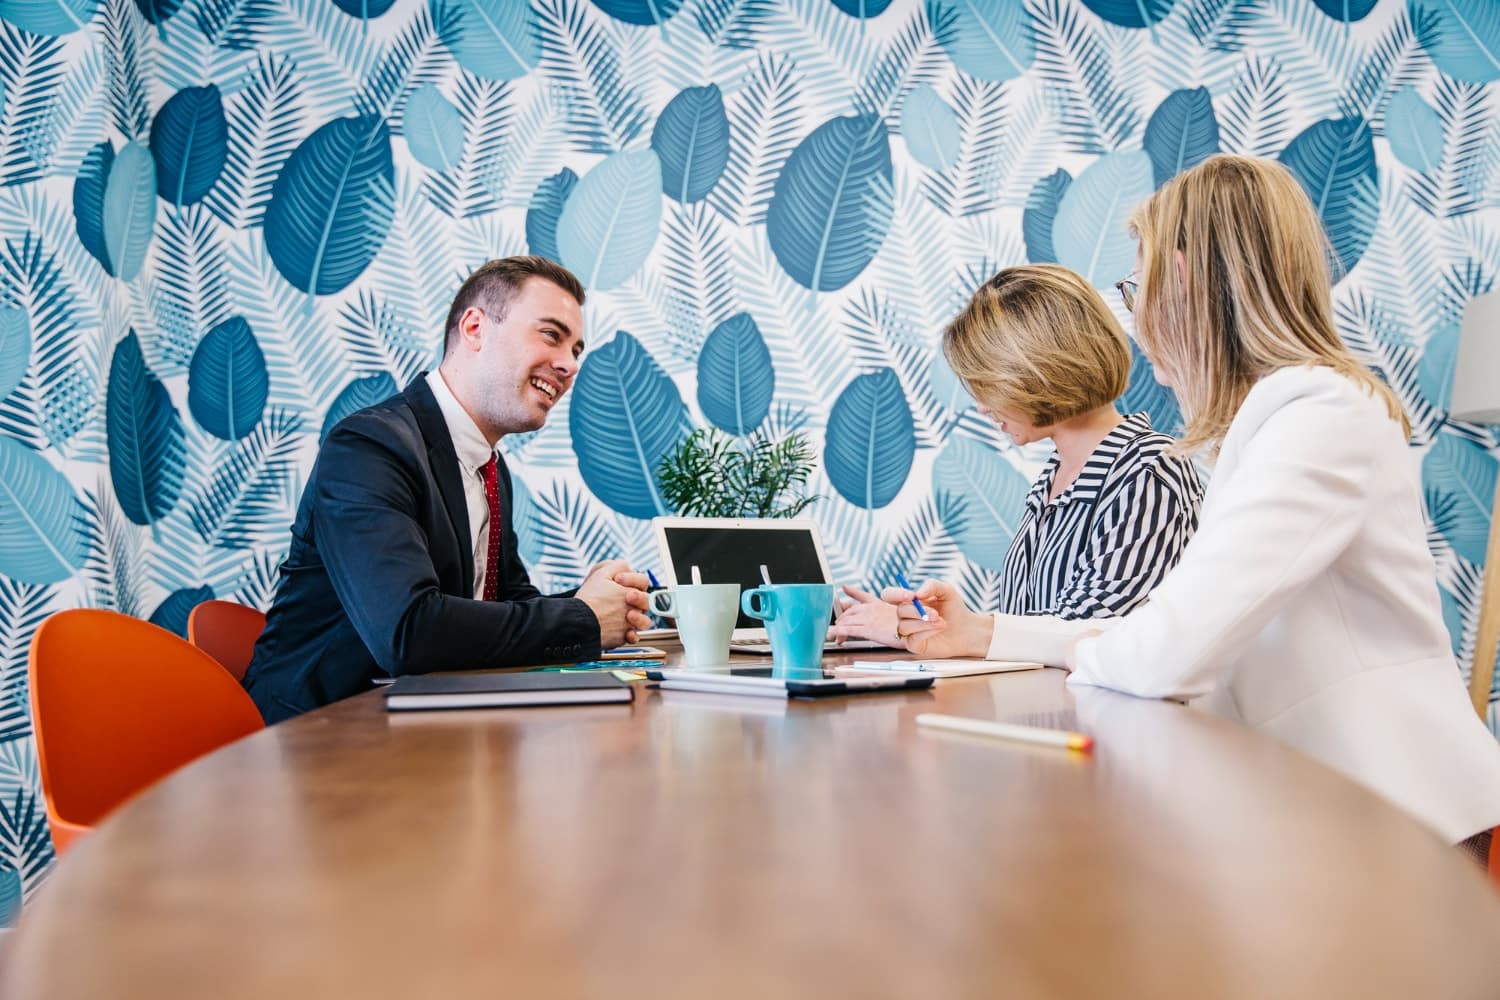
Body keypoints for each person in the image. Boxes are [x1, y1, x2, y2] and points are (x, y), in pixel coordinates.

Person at [874, 155, 1500, 855]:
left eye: (1136, 284)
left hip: (1402, 819)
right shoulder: (1275, 423)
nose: (1135, 318)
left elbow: (1162, 652)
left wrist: (1017, 638)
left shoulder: (1320, 415)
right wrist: (984, 634)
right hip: (1332, 813)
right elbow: (1147, 634)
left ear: (1184, 281)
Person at [242, 257, 652, 723]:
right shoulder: (369, 447)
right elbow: (409, 633)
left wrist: (600, 601)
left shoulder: (489, 469)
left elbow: (504, 606)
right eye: (551, 335)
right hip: (319, 738)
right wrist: (584, 618)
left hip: (427, 726)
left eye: (576, 349)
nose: (568, 364)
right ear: (475, 328)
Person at [835, 263, 1202, 646]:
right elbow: (1031, 628)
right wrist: (916, 626)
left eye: (987, 383)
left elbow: (1089, 639)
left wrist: (918, 630)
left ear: (1037, 370)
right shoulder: (1055, 479)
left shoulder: (1148, 472)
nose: (980, 405)